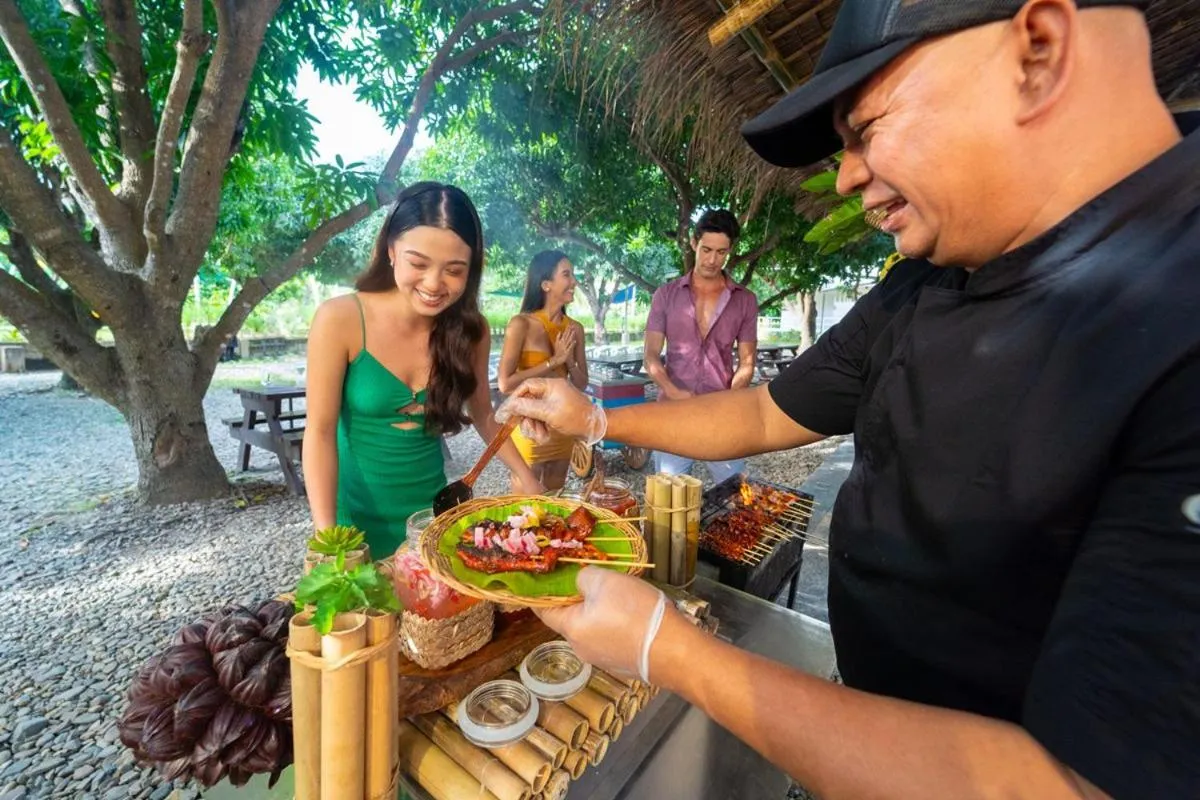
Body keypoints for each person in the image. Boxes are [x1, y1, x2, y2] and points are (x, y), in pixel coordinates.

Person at [497, 1, 1200, 797]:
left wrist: (669, 649)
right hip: (855, 720)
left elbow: (1079, 784)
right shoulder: (926, 280)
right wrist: (595, 419)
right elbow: (766, 412)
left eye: (865, 129)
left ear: (1037, 52)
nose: (846, 176)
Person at [304, 182, 543, 559]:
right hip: (352, 526)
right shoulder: (340, 319)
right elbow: (318, 432)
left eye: (454, 270)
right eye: (418, 263)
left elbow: (483, 413)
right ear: (391, 251)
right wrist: (327, 538)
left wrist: (527, 477)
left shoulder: (472, 331)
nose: (434, 284)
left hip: (430, 520)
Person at [644, 209, 759, 483]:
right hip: (674, 413)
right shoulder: (666, 295)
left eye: (721, 252)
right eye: (706, 249)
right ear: (694, 243)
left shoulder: (745, 300)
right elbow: (650, 356)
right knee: (669, 503)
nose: (712, 259)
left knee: (735, 499)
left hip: (722, 415)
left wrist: (729, 398)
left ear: (731, 250)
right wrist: (673, 392)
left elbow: (747, 362)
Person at [497, 250, 589, 491]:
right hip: (529, 426)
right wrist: (553, 361)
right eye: (567, 275)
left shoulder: (575, 330)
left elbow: (581, 383)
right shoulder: (521, 324)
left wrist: (567, 362)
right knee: (524, 502)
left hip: (562, 425)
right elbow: (505, 384)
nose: (574, 282)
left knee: (554, 498)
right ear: (546, 284)